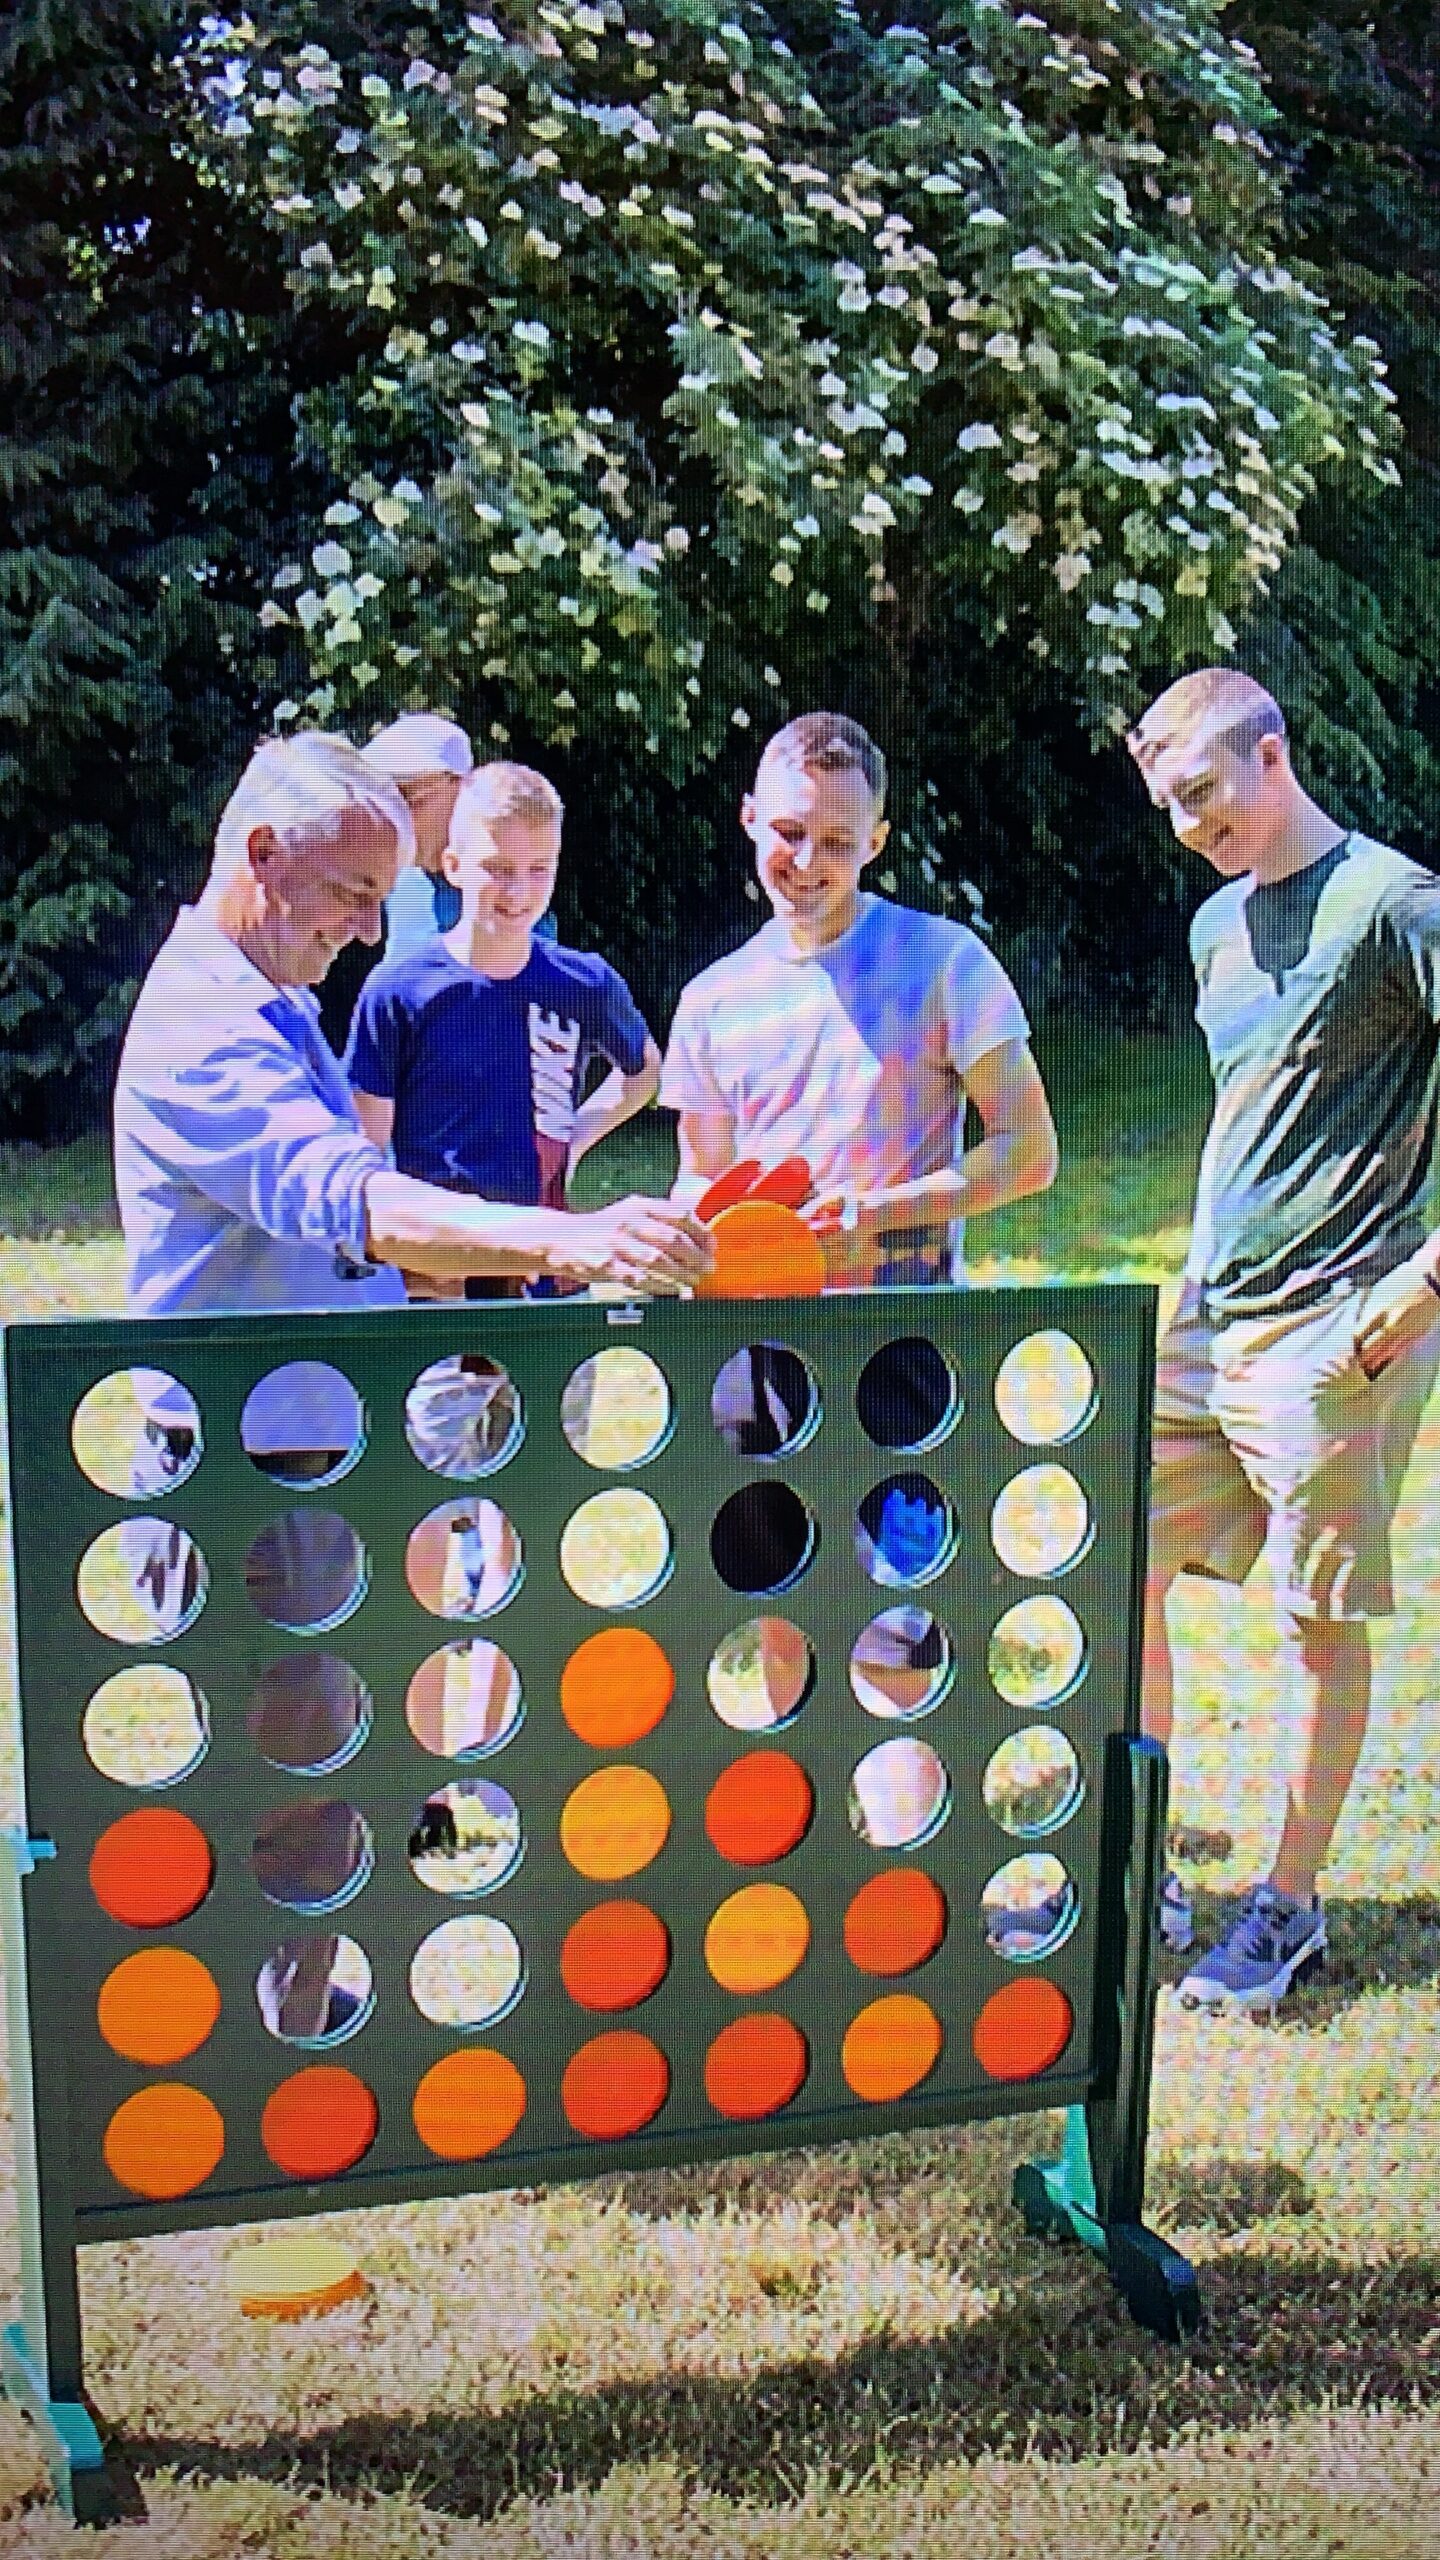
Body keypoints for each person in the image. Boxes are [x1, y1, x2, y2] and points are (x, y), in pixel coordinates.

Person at [1129, 668, 1440, 2014]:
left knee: (1316, 1620)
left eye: (1203, 792)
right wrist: (1196, 1273)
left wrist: (1423, 1287)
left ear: (1273, 754)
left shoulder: (1391, 903)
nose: (1188, 824)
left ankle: (1289, 1907)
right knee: (1116, 1565)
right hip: (1212, 1318)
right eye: (1168, 804)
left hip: (1338, 1324)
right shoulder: (1216, 925)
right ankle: (1141, 1870)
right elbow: (1243, 1110)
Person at [113, 732, 711, 1315]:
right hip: (241, 1389)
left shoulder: (276, 999)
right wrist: (569, 1238)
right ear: (264, 852)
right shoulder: (204, 1025)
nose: (370, 931)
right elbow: (351, 1200)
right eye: (354, 893)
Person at [659, 712, 1058, 1291]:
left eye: (837, 843)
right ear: (749, 817)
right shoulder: (710, 998)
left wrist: (871, 1214)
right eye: (789, 832)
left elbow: (1028, 1151)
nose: (806, 862)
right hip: (754, 1320)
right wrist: (687, 1238)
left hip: (902, 1320)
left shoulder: (947, 961)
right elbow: (701, 1176)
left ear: (875, 843)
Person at [346, 761, 660, 1307]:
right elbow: (365, 1147)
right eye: (498, 868)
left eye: (539, 869)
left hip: (548, 1273)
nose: (518, 891)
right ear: (453, 865)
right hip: (435, 1277)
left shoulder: (582, 983)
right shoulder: (398, 990)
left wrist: (574, 1137)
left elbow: (644, 1071)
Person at [362, 712, 559, 961]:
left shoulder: (504, 892)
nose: (391, 818)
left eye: (406, 797)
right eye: (381, 803)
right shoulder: (403, 879)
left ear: (460, 786)